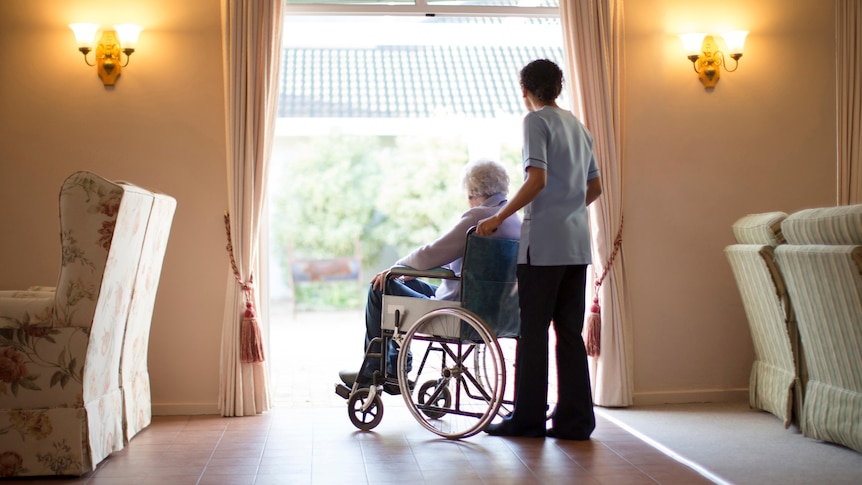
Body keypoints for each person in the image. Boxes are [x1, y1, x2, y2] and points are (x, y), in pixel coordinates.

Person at [476, 59, 602, 440]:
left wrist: (499, 217)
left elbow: (537, 179)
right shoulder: (579, 127)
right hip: (576, 245)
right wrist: (568, 210)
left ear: (525, 90)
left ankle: (527, 419)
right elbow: (595, 188)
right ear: (558, 87)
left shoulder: (535, 121)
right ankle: (576, 420)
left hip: (543, 247)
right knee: (569, 333)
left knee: (533, 333)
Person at [338, 158, 522, 391]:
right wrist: (408, 275)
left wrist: (398, 268)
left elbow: (433, 253)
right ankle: (394, 367)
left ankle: (378, 369)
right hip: (495, 312)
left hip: (459, 312)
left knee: (381, 287)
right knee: (410, 284)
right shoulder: (516, 221)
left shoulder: (477, 218)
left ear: (471, 192)